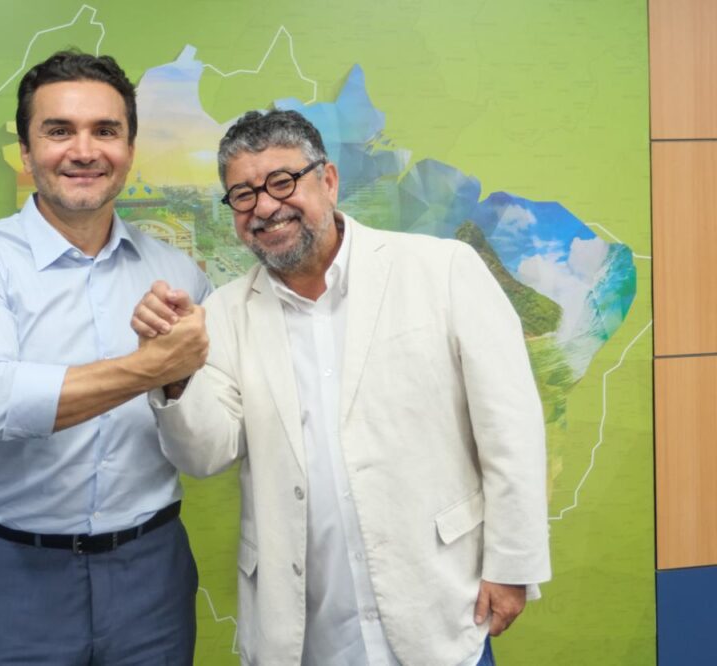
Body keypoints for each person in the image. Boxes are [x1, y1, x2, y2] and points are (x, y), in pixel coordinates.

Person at [132, 109, 551, 665]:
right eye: (243, 195)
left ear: (328, 181)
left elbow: (510, 428)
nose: (265, 207)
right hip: (305, 629)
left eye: (283, 181)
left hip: (439, 607)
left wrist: (513, 565)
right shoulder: (226, 313)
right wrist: (173, 369)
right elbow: (205, 454)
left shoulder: (443, 270)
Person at [0, 51, 210, 665]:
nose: (84, 151)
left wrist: (179, 382)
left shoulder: (178, 273)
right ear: (26, 152)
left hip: (153, 575)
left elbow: (205, 427)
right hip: (21, 576)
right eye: (59, 130)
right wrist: (153, 367)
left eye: (105, 131)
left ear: (129, 149)